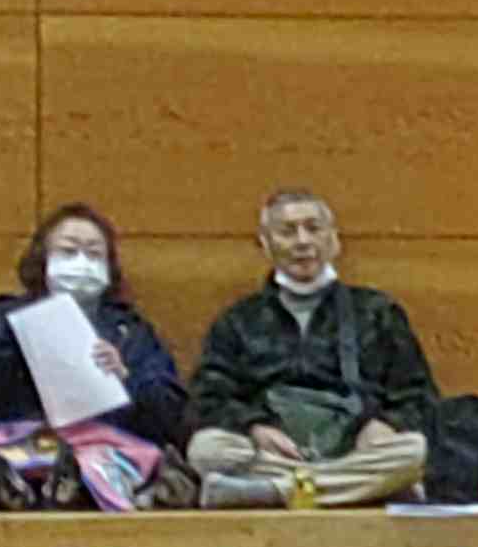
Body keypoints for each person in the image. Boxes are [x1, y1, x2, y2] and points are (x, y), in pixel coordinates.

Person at [187, 189, 436, 505]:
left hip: (354, 450)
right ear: (266, 244)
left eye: (313, 228)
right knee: (207, 449)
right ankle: (347, 491)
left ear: (334, 240)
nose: (302, 241)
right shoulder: (239, 320)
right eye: (287, 232)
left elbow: (418, 394)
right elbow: (208, 396)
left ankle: (279, 492)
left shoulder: (376, 311)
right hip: (276, 453)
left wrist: (386, 425)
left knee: (412, 451)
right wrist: (254, 426)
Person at [0, 204, 191, 512]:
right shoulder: (3, 316)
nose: (81, 262)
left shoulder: (130, 330)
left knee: (96, 464)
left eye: (93, 253)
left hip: (101, 441)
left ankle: (71, 487)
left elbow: (169, 410)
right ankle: (14, 489)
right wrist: (11, 337)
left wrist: (124, 377)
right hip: (21, 437)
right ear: (43, 260)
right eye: (68, 251)